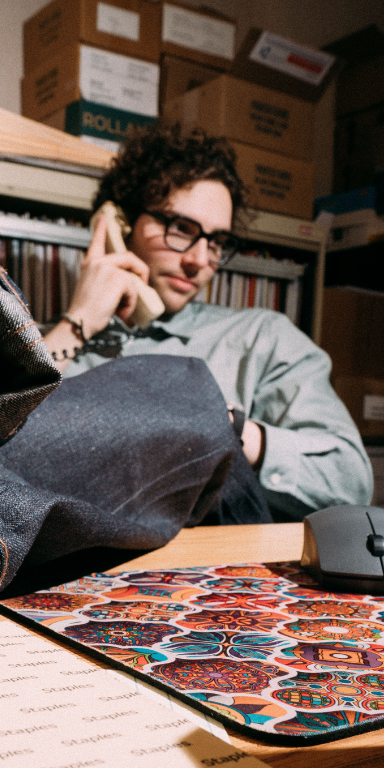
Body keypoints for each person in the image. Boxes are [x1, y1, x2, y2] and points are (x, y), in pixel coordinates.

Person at [41, 125, 373, 522]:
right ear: (121, 223)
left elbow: (351, 482)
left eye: (216, 242)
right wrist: (78, 321)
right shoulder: (48, 347)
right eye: (181, 228)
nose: (199, 261)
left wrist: (226, 429)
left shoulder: (261, 338)